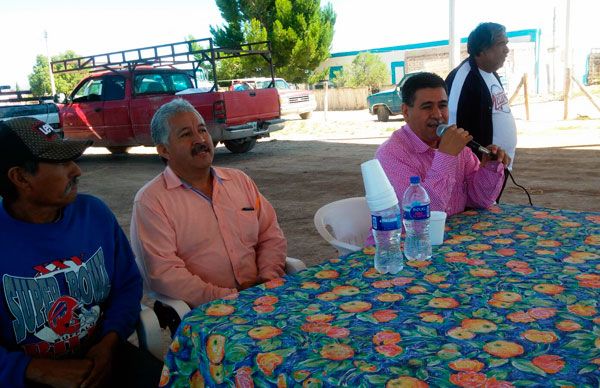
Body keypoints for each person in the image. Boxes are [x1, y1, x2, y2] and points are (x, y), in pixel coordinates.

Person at [0, 117, 162, 388]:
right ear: (21, 177)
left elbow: (128, 285)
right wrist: (37, 369)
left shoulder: (94, 214)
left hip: (103, 356)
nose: (76, 170)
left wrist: (109, 342)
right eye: (62, 163)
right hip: (24, 376)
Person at [130, 99, 287, 307]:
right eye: (186, 134)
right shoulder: (151, 201)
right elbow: (163, 272)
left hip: (262, 293)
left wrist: (267, 277)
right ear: (164, 150)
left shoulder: (239, 181)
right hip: (207, 310)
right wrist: (229, 296)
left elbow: (270, 234)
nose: (200, 139)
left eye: (202, 130)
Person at [375, 72, 510, 217]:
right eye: (427, 107)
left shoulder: (459, 148)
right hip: (409, 238)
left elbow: (481, 200)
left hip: (455, 236)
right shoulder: (390, 154)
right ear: (406, 112)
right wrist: (446, 156)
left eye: (442, 105)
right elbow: (424, 214)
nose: (438, 115)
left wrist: (489, 167)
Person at [446, 22, 517, 171]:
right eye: (500, 43)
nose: (506, 49)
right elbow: (453, 128)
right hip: (479, 170)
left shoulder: (492, 73)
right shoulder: (464, 78)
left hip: (498, 165)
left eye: (506, 43)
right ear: (482, 49)